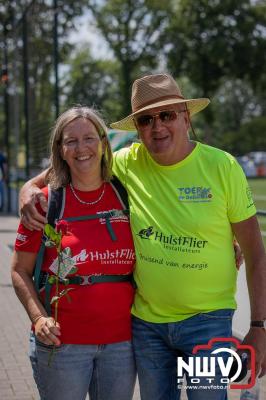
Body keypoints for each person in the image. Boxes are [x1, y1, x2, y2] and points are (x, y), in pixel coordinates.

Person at [19, 74, 266, 400]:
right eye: (146, 119)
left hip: (207, 323)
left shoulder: (222, 166)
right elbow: (75, 158)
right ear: (137, 127)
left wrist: (259, 327)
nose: (157, 126)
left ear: (185, 116)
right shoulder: (126, 162)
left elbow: (256, 253)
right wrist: (29, 188)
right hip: (148, 327)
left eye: (167, 115)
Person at [11, 107, 136, 400]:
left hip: (122, 343)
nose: (82, 148)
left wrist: (224, 241)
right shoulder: (43, 204)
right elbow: (19, 271)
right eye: (71, 141)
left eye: (90, 138)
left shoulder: (126, 192)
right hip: (63, 345)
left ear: (104, 143)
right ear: (61, 150)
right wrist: (39, 319)